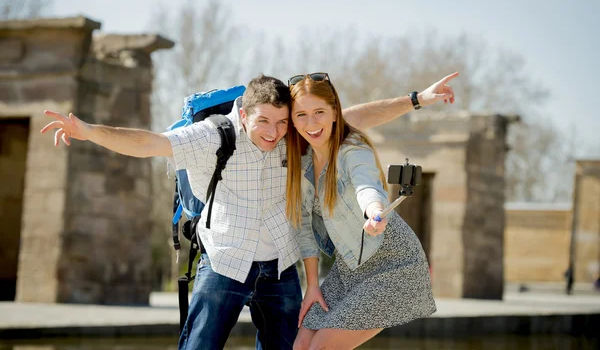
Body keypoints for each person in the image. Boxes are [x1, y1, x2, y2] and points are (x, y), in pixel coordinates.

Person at [40, 73, 456, 350]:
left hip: (283, 264)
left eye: (283, 123)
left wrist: (417, 99)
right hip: (226, 260)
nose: (275, 132)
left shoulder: (298, 136)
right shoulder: (215, 136)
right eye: (265, 122)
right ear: (243, 114)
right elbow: (150, 143)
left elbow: (354, 131)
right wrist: (88, 131)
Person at [286, 72, 456, 349]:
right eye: (301, 115)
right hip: (349, 267)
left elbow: (367, 184)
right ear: (292, 120)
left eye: (319, 112)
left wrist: (375, 211)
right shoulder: (301, 162)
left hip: (393, 263)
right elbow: (303, 228)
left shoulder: (352, 148)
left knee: (323, 346)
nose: (311, 122)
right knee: (301, 344)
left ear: (334, 113)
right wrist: (313, 285)